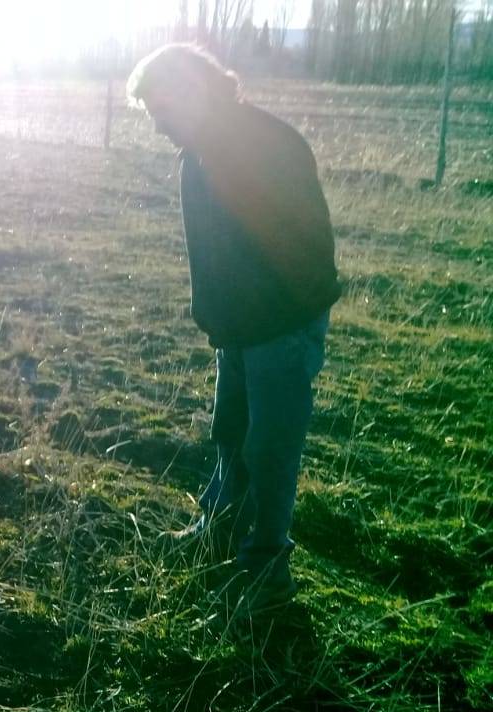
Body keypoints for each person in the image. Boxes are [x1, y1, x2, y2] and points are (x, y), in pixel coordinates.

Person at [125, 45, 341, 619]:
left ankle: (268, 572)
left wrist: (272, 320)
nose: (158, 127)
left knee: (270, 447)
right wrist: (219, 317)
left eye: (162, 111)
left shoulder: (264, 144)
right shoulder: (196, 153)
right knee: (232, 431)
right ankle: (218, 527)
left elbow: (304, 244)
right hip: (241, 328)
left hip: (281, 325)